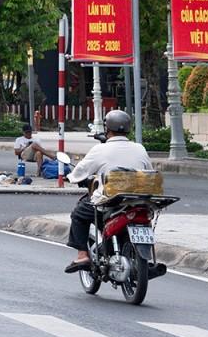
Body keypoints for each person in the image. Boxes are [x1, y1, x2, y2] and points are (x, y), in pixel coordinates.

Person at [63, 110, 154, 274]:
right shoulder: (140, 148)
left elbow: (80, 171)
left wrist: (71, 177)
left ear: (107, 128)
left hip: (111, 201)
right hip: (138, 200)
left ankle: (83, 255)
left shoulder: (100, 149)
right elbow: (149, 171)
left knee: (79, 214)